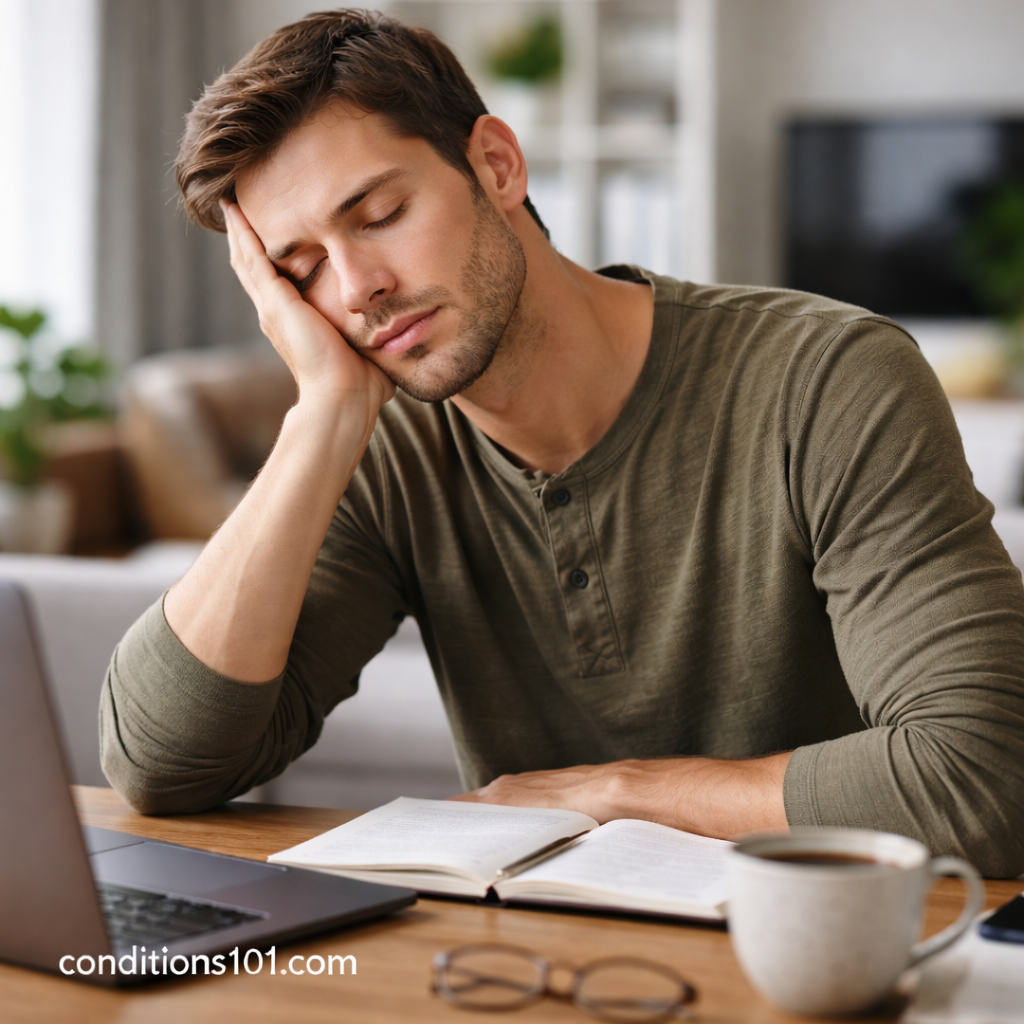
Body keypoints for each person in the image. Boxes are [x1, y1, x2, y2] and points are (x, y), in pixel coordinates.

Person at [100, 9, 1024, 877]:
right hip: (535, 968)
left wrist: (616, 792)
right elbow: (159, 766)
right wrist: (325, 416)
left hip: (821, 953)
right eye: (301, 271)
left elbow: (987, 775)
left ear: (497, 165)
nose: (356, 288)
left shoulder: (827, 378)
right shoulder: (382, 449)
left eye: (379, 215)